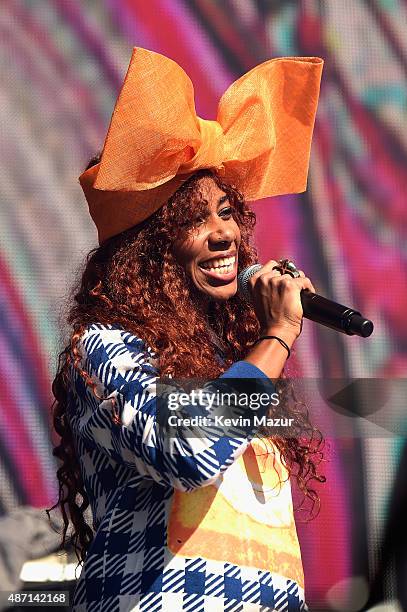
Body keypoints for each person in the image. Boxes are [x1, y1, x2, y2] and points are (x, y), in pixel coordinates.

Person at [48, 48, 326, 611]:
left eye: (227, 213)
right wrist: (274, 338)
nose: (224, 233)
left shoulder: (232, 365)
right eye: (194, 220)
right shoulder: (102, 347)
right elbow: (187, 449)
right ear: (146, 251)